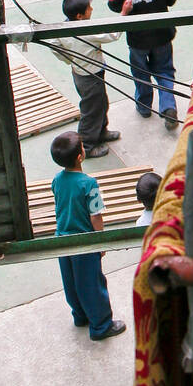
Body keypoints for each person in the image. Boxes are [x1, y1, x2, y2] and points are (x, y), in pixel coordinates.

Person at [50, 131, 126, 341]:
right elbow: (96, 216)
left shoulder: (57, 180)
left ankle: (80, 316)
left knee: (71, 282)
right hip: (84, 243)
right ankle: (101, 326)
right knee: (91, 284)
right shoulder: (89, 184)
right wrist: (100, 243)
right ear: (80, 156)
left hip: (61, 241)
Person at [107, 0, 180, 131]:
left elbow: (113, 5)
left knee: (140, 74)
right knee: (164, 71)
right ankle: (169, 107)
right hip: (163, 36)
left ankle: (144, 106)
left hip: (138, 42)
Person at [48, 0, 121, 159]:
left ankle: (102, 132)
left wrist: (70, 59)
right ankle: (87, 146)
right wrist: (123, 15)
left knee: (100, 104)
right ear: (80, 16)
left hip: (80, 72)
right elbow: (112, 35)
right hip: (91, 76)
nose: (92, 9)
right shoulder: (87, 31)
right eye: (89, 8)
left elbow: (53, 45)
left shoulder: (63, 28)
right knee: (91, 111)